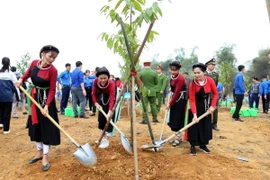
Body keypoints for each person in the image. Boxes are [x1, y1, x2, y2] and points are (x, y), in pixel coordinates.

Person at [15, 45, 60, 171]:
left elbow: (52, 90)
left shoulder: (53, 70)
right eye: (50, 56)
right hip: (34, 100)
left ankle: (45, 156)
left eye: (55, 58)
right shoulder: (34, 63)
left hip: (46, 102)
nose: (52, 59)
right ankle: (39, 152)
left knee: (46, 128)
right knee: (36, 126)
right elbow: (27, 74)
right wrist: (20, 80)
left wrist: (46, 106)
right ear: (43, 53)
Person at [188, 63, 218, 156]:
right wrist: (194, 114)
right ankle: (193, 145)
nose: (196, 75)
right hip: (195, 106)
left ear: (204, 72)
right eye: (195, 73)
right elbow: (192, 100)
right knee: (194, 126)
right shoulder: (192, 84)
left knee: (205, 125)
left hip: (206, 107)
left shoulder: (210, 81)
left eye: (198, 73)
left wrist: (212, 106)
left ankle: (203, 145)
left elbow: (216, 94)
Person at [92, 67, 116, 148]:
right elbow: (94, 94)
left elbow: (112, 97)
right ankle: (102, 138)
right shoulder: (95, 81)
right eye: (100, 78)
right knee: (101, 119)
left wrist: (110, 111)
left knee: (108, 119)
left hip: (110, 101)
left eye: (105, 78)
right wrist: (96, 103)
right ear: (97, 78)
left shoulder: (112, 83)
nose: (102, 80)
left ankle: (107, 140)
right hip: (101, 99)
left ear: (108, 77)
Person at [166, 61, 187, 146]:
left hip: (180, 100)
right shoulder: (173, 76)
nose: (173, 71)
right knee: (174, 119)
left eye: (175, 70)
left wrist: (170, 104)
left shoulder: (180, 78)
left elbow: (177, 92)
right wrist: (171, 90)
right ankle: (176, 137)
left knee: (178, 119)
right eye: (171, 70)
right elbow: (173, 88)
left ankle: (178, 139)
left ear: (179, 69)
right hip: (175, 98)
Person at [0, 57, 19, 134]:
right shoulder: (11, 74)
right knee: (7, 112)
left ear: (2, 63)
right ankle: (6, 130)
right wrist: (18, 96)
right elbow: (16, 86)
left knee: (0, 110)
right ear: (9, 63)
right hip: (8, 96)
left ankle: (0, 123)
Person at [205, 58, 220, 131]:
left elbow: (216, 84)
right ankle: (206, 124)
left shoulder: (216, 74)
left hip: (213, 94)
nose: (213, 66)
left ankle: (214, 124)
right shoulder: (204, 74)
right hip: (205, 94)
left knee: (215, 110)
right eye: (212, 65)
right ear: (207, 65)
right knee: (205, 109)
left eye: (214, 65)